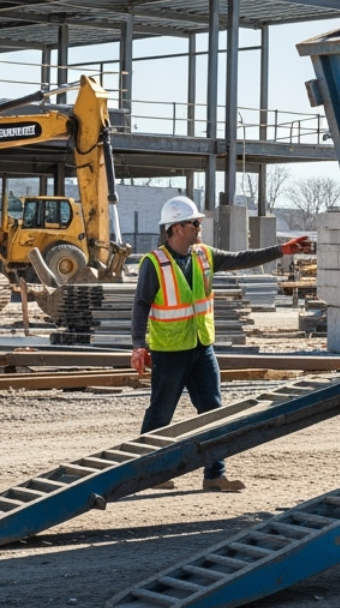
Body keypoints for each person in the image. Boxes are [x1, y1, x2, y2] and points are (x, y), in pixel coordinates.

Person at [132, 195, 311, 491]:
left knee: (214, 412)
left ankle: (215, 475)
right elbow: (140, 305)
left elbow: (242, 258)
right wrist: (139, 344)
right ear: (176, 227)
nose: (199, 226)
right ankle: (148, 475)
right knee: (160, 414)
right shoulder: (154, 263)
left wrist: (282, 250)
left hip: (202, 348)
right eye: (194, 222)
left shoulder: (203, 254)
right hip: (169, 352)